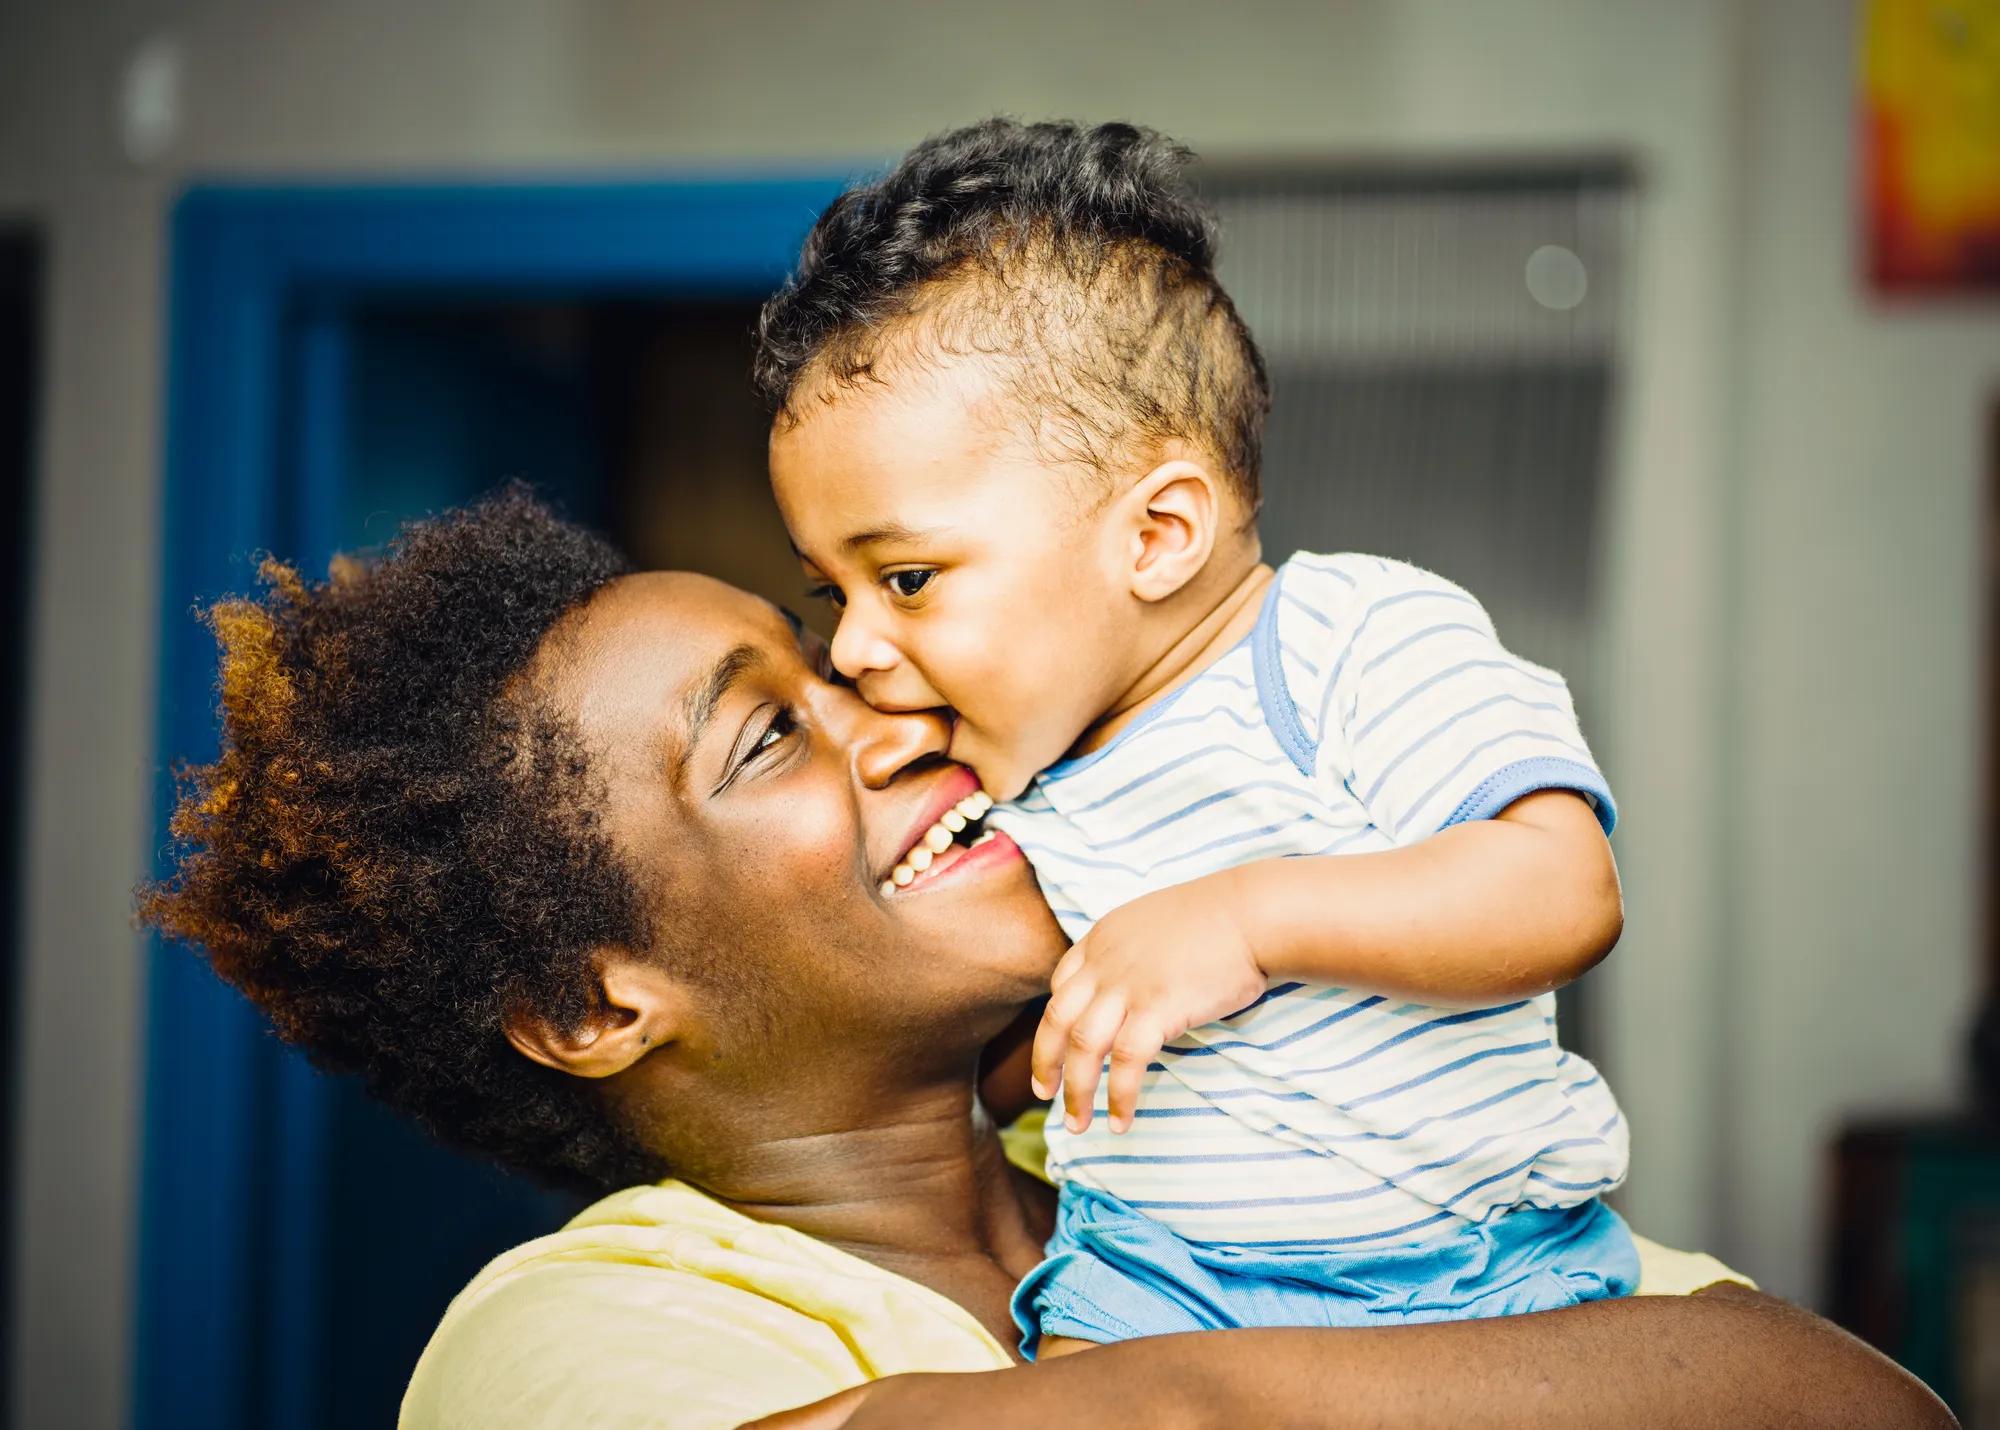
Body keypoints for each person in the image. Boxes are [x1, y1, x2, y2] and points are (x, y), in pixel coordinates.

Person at [140, 490, 1951, 1428]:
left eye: (836, 658)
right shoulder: (556, 1348)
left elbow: (1851, 1406)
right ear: (594, 1006)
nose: (898, 708)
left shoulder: (1181, 1127)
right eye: (765, 739)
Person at [762, 118, 1632, 1357]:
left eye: (902, 577)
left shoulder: (1344, 640)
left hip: (1475, 1271)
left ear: (1158, 534)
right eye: (827, 594)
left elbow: (1561, 889)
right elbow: (1044, 1041)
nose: (848, 647)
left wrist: (1244, 920)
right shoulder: (1017, 760)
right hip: (1148, 1289)